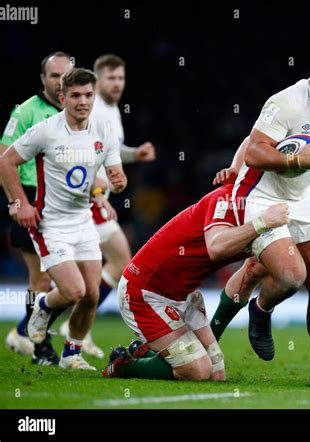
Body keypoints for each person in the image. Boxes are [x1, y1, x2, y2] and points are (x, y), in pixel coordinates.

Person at [212, 51, 310, 386]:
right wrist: (296, 164)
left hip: (301, 198)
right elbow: (254, 151)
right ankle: (260, 311)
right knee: (290, 276)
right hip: (261, 195)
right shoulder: (286, 103)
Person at [0, 68, 127, 370]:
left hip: (83, 221)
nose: (82, 101)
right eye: (75, 95)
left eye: (88, 95)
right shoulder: (46, 130)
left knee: (92, 295)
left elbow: (111, 171)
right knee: (74, 291)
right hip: (50, 224)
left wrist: (115, 182)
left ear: (94, 96)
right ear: (62, 97)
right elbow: (6, 161)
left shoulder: (103, 130)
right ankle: (42, 307)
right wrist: (20, 203)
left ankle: (72, 354)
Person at [102, 184, 290, 381]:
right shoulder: (226, 199)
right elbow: (216, 248)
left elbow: (257, 265)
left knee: (216, 374)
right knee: (198, 371)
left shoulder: (269, 207)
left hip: (185, 294)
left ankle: (144, 352)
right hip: (145, 292)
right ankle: (124, 367)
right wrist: (262, 222)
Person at [58, 54, 156, 358]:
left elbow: (109, 152)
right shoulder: (94, 111)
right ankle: (61, 328)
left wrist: (133, 154)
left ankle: (67, 329)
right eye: (111, 78)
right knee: (114, 260)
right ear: (98, 81)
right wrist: (99, 188)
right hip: (86, 197)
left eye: (121, 78)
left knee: (93, 270)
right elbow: (81, 154)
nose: (117, 84)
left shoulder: (111, 111)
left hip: (95, 197)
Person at [1, 52, 74, 365]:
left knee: (77, 282)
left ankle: (23, 332)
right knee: (42, 280)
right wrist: (18, 203)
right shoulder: (27, 111)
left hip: (66, 202)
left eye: (65, 75)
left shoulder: (79, 109)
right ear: (43, 79)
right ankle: (38, 343)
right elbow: (4, 157)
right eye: (53, 75)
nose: (60, 82)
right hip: (32, 198)